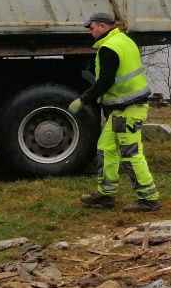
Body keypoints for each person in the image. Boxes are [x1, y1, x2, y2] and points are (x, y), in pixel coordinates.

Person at [68, 12, 160, 212]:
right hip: (125, 107)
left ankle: (148, 199)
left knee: (130, 153)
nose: (90, 32)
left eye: (91, 28)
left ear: (102, 26)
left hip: (127, 108)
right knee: (106, 147)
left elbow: (105, 81)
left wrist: (84, 99)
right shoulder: (124, 40)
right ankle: (105, 195)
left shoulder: (108, 48)